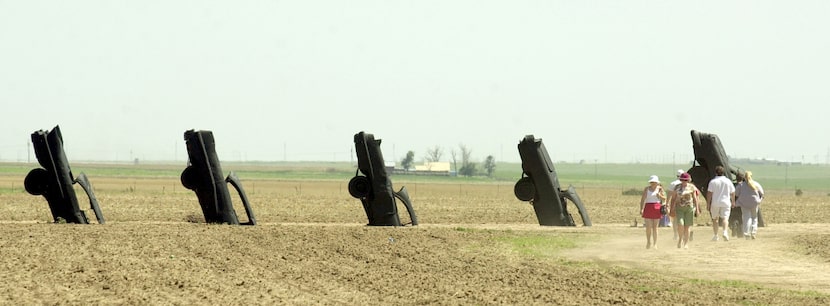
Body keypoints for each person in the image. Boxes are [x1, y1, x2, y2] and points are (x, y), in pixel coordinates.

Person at [670, 172, 701, 249]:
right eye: (683, 180)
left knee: (687, 227)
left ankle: (686, 243)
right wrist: (672, 208)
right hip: (679, 208)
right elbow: (673, 198)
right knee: (680, 224)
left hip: (689, 208)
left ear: (688, 180)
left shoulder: (692, 187)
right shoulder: (677, 187)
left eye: (686, 180)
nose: (684, 182)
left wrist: (697, 209)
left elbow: (695, 198)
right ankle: (680, 239)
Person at [707, 165, 736, 241]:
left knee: (715, 219)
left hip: (715, 202)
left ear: (715, 173)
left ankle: (716, 235)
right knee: (725, 218)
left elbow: (709, 193)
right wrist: (733, 201)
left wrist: (708, 203)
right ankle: (725, 232)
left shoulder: (713, 182)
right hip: (726, 202)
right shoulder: (728, 181)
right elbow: (732, 193)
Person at [735, 171, 764, 240]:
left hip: (744, 204)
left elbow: (736, 194)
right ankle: (753, 232)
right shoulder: (756, 184)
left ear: (745, 177)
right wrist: (760, 200)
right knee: (754, 217)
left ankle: (746, 233)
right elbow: (762, 193)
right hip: (754, 203)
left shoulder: (741, 185)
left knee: (746, 218)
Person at [640, 175, 666, 249]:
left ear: (657, 182)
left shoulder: (660, 189)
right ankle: (648, 241)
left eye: (654, 182)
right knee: (648, 226)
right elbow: (643, 199)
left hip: (657, 207)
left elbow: (665, 198)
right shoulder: (646, 189)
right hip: (648, 207)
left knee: (655, 227)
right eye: (652, 182)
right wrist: (641, 208)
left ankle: (655, 244)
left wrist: (660, 196)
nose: (653, 184)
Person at [666, 169, 684, 240]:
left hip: (674, 203)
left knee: (675, 220)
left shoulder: (673, 183)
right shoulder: (686, 183)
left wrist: (667, 203)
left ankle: (675, 234)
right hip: (684, 203)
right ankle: (682, 234)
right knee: (683, 219)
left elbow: (669, 194)